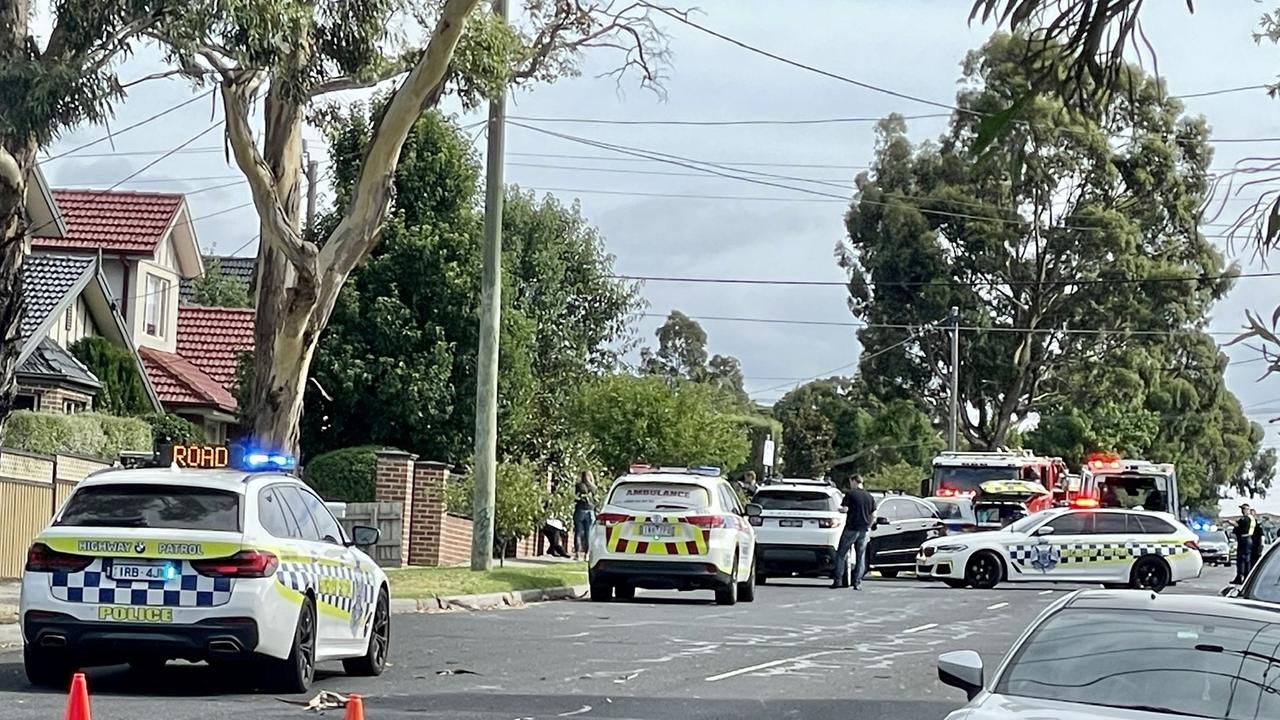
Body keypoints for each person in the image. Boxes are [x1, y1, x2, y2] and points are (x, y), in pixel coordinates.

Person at [832, 474, 876, 590]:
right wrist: (869, 526)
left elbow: (845, 509)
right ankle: (857, 582)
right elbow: (873, 515)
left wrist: (839, 509)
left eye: (850, 482)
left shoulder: (851, 494)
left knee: (841, 554)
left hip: (851, 528)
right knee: (860, 556)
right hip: (864, 530)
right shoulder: (869, 497)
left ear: (854, 481)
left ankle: (838, 580)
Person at [573, 471, 597, 560]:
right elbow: (595, 500)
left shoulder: (579, 486)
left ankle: (577, 554)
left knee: (578, 532)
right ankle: (587, 554)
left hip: (580, 509)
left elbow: (575, 497)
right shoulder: (593, 487)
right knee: (589, 534)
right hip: (590, 510)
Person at [1233, 504, 1257, 584]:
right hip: (1248, 539)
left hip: (1244, 539)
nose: (1242, 511)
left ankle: (1241, 577)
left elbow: (1237, 525)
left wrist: (1229, 522)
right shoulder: (1252, 518)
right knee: (1246, 559)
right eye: (1242, 509)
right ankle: (1244, 577)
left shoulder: (1246, 519)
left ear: (1248, 510)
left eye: (1244, 509)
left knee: (1242, 559)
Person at [1251, 507, 1266, 572]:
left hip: (1255, 547)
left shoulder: (1257, 525)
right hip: (1250, 547)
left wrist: (1261, 546)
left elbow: (1261, 536)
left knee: (1254, 564)